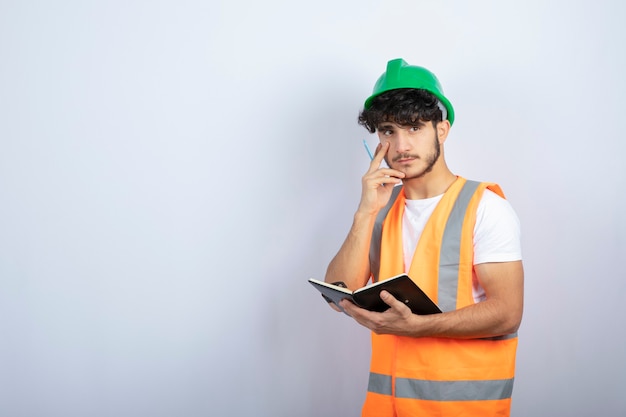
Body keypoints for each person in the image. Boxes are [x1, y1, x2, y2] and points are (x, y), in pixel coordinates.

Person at [324, 58, 524, 416]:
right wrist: (365, 212)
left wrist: (419, 327)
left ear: (442, 130)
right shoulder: (381, 210)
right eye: (388, 131)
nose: (401, 146)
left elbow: (508, 313)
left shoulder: (485, 207)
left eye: (414, 127)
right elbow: (338, 291)